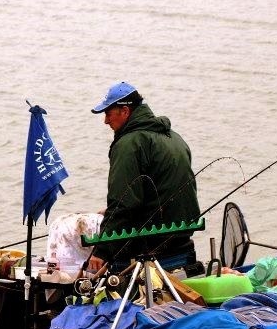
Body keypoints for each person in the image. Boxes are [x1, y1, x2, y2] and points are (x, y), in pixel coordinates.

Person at [86, 82, 201, 274]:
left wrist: (102, 250)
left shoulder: (129, 144)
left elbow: (123, 203)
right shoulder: (174, 137)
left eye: (108, 114)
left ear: (125, 111)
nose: (106, 121)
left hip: (148, 244)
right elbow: (160, 189)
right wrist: (111, 211)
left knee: (88, 261)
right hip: (180, 238)